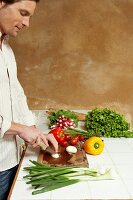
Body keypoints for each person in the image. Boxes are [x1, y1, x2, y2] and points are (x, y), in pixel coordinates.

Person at [0, 0, 58, 199]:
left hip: (10, 159)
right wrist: (20, 129)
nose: (27, 23)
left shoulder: (6, 50)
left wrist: (34, 130)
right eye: (23, 13)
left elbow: (16, 93)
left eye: (29, 16)